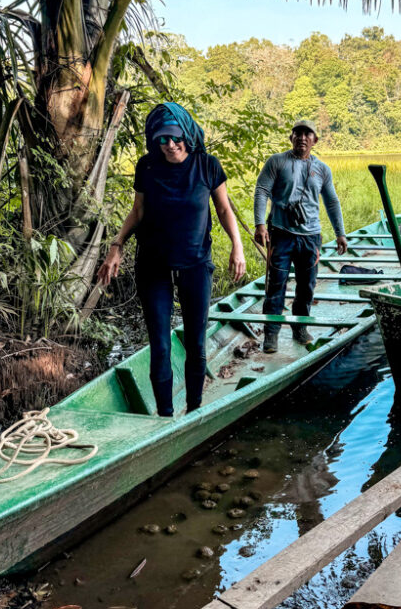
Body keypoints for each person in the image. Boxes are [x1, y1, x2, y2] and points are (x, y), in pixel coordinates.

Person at [97, 103, 246, 417]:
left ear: (187, 135)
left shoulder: (207, 165)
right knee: (161, 344)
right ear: (154, 140)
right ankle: (165, 416)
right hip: (153, 265)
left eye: (175, 137)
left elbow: (223, 210)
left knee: (195, 342)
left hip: (195, 263)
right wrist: (116, 246)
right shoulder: (147, 167)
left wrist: (238, 246)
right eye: (162, 139)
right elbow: (137, 212)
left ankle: (193, 411)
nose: (169, 145)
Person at [254, 119, 347, 353]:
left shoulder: (322, 169)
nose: (302, 138)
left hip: (310, 237)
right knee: (276, 285)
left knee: (306, 286)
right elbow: (262, 190)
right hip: (281, 235)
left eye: (308, 134)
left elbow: (332, 201)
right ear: (291, 138)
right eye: (298, 133)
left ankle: (300, 327)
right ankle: (271, 333)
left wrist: (340, 233)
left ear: (315, 140)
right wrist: (259, 225)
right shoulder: (277, 162)